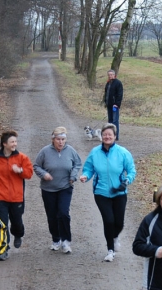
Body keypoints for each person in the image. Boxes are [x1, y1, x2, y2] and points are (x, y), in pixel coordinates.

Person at [79, 123, 136, 262]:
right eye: (105, 134)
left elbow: (132, 170)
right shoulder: (95, 152)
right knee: (108, 220)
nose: (107, 137)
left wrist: (126, 181)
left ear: (115, 136)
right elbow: (88, 168)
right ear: (101, 136)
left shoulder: (123, 152)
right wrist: (85, 176)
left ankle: (115, 236)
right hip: (101, 192)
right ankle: (110, 250)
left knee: (119, 222)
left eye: (110, 134)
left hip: (119, 192)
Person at [0, 130, 33, 260]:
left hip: (17, 196)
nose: (15, 144)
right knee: (2, 224)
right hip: (0, 196)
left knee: (17, 221)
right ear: (4, 144)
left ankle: (18, 234)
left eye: (15, 141)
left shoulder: (22, 157)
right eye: (12, 142)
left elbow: (29, 173)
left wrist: (20, 170)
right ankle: (4, 248)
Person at [33, 126, 82, 253]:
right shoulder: (45, 151)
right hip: (48, 189)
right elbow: (36, 166)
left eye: (63, 139)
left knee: (63, 213)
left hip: (65, 187)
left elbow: (77, 163)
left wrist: (73, 176)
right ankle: (56, 238)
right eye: (58, 139)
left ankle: (66, 241)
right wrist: (44, 174)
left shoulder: (70, 150)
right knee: (52, 215)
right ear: (53, 139)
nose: (61, 142)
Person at [103, 69, 123, 140]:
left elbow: (120, 94)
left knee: (115, 121)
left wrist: (117, 104)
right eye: (109, 75)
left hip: (115, 105)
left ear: (114, 75)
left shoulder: (118, 83)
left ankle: (115, 136)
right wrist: (105, 101)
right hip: (109, 105)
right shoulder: (108, 83)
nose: (110, 76)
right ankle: (110, 136)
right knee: (110, 121)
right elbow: (106, 94)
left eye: (111, 75)